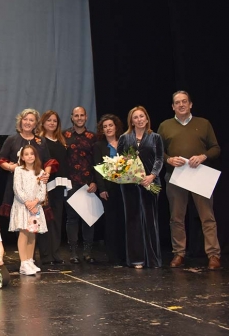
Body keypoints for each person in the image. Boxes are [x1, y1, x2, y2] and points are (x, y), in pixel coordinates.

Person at [158, 91, 221, 270]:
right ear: (172, 107)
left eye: (184, 101)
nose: (181, 105)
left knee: (207, 217)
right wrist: (168, 159)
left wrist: (203, 156)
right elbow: (158, 152)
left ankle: (213, 255)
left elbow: (216, 148)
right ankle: (179, 253)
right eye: (177, 103)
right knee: (176, 217)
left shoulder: (203, 123)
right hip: (176, 177)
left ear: (190, 104)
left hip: (199, 176)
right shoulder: (165, 126)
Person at [118, 106, 163, 268]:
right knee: (133, 220)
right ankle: (137, 259)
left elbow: (159, 159)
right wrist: (132, 175)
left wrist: (152, 176)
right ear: (131, 120)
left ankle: (152, 259)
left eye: (142, 116)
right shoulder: (124, 138)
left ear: (147, 118)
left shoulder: (155, 137)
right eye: (135, 117)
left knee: (150, 220)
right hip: (130, 185)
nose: (139, 119)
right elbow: (121, 161)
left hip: (150, 183)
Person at [0, 109, 51, 218]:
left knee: (36, 221)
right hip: (17, 185)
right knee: (20, 220)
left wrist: (46, 174)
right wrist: (10, 167)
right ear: (20, 121)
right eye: (25, 119)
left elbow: (48, 161)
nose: (27, 122)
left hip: (36, 186)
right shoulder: (12, 139)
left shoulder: (41, 141)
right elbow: (0, 159)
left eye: (31, 120)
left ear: (36, 123)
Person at [63, 107, 97, 264]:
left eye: (82, 115)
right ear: (72, 117)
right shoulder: (65, 135)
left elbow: (97, 161)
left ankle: (88, 251)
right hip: (70, 183)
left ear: (86, 116)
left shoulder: (93, 137)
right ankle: (73, 251)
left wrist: (95, 181)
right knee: (72, 218)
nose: (79, 118)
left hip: (88, 183)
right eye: (76, 115)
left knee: (88, 218)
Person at [93, 114, 127, 266]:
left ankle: (126, 254)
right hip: (109, 188)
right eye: (105, 126)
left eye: (110, 125)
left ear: (116, 127)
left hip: (126, 187)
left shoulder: (124, 143)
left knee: (124, 221)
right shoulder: (98, 146)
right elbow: (98, 169)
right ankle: (113, 256)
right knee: (111, 222)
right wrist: (101, 189)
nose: (108, 128)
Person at [10, 145, 48, 275]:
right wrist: (27, 203)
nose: (29, 156)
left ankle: (30, 260)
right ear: (22, 157)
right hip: (23, 206)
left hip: (35, 207)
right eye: (26, 154)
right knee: (24, 232)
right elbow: (17, 189)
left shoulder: (41, 172)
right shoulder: (19, 170)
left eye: (32, 154)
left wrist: (35, 202)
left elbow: (43, 191)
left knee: (32, 233)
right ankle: (23, 263)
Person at [37, 110, 68, 265]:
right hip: (44, 185)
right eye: (48, 120)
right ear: (43, 122)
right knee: (44, 220)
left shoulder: (61, 141)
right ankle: (45, 255)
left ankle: (55, 252)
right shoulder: (40, 141)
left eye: (54, 121)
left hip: (59, 186)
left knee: (56, 220)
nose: (51, 123)